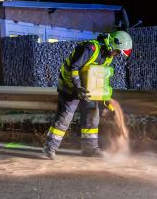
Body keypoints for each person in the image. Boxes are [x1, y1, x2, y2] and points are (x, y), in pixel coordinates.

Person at [42, 31, 133, 160]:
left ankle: (90, 149)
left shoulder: (108, 56)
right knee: (64, 118)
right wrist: (77, 87)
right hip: (70, 88)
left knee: (92, 116)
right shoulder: (90, 48)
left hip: (88, 91)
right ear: (112, 44)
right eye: (118, 52)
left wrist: (104, 98)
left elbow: (100, 77)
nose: (117, 55)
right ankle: (49, 149)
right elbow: (74, 67)